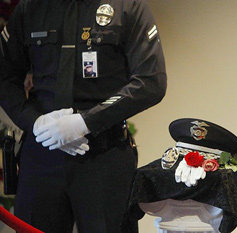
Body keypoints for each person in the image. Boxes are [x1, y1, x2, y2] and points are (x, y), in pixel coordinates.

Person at [0, 0, 167, 232]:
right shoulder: (31, 8)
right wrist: (34, 121)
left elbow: (151, 81)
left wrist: (85, 122)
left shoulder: (127, 6)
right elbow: (4, 77)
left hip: (103, 154)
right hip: (42, 153)